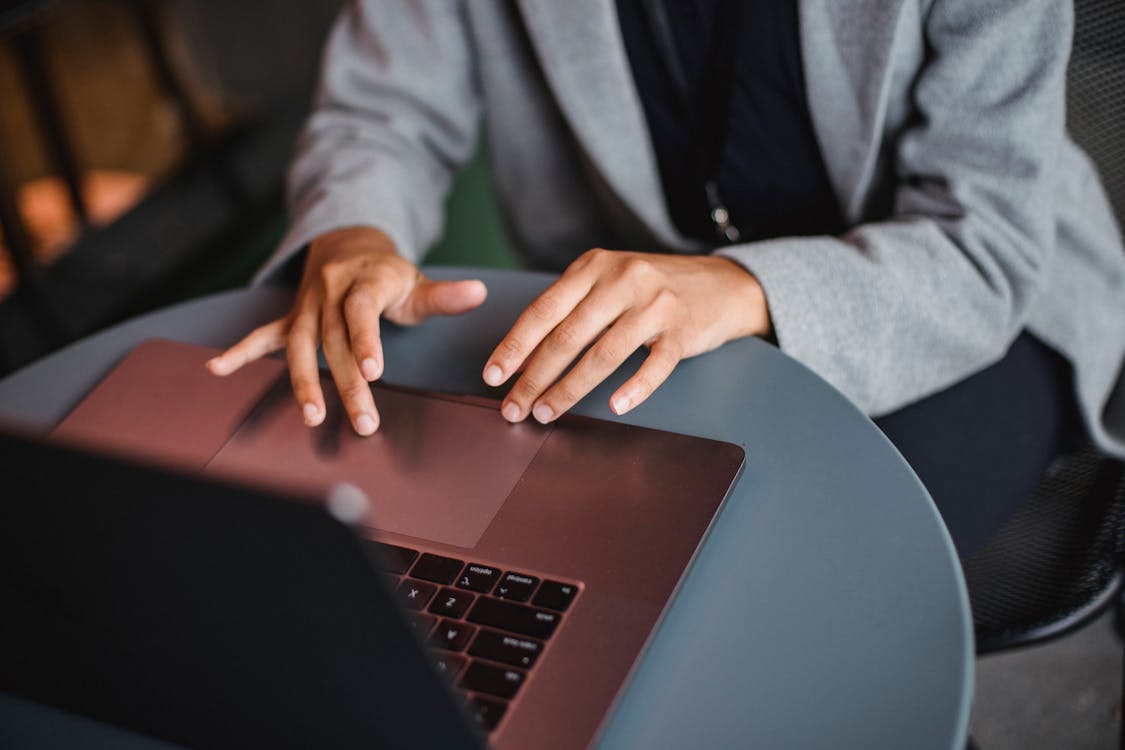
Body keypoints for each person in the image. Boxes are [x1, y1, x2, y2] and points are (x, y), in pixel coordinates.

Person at [207, 0, 1125, 556]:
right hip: (655, 316)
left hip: (958, 303)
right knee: (561, 572)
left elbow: (983, 247)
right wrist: (353, 234)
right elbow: (379, 112)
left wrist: (743, 289)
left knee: (779, 591)